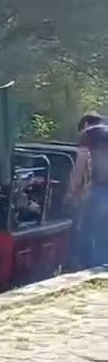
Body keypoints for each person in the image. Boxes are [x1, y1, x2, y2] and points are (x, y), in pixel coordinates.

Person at [68, 113, 104, 269]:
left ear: (84, 125)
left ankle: (90, 266)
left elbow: (81, 165)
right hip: (101, 185)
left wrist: (71, 191)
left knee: (88, 225)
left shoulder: (89, 134)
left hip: (103, 188)